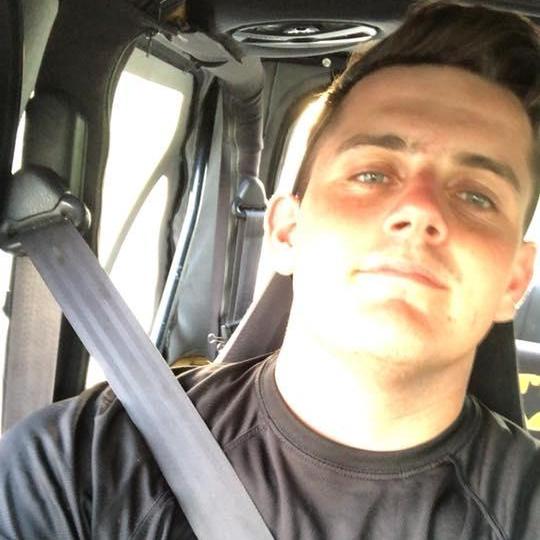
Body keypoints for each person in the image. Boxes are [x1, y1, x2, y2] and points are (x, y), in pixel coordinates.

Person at [1, 1, 540, 538]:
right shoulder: (77, 471)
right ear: (285, 231)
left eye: (476, 195)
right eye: (373, 174)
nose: (420, 210)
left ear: (515, 279)